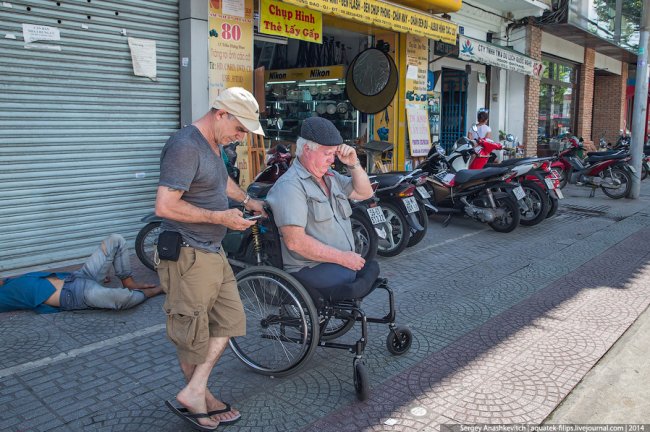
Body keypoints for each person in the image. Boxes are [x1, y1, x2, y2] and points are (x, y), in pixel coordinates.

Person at [155, 87, 265, 430]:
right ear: (221, 114)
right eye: (239, 128)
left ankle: (195, 390)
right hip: (187, 255)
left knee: (231, 319)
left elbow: (222, 183)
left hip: (212, 251)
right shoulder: (185, 146)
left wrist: (247, 201)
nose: (240, 137)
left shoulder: (213, 145)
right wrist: (222, 218)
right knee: (192, 334)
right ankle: (199, 396)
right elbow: (165, 206)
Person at [265, 117, 374, 291]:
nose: (332, 160)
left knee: (369, 269)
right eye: (327, 154)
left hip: (334, 261)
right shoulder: (291, 185)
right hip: (309, 267)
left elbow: (365, 193)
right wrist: (343, 258)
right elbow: (295, 242)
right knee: (351, 275)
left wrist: (354, 164)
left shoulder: (329, 176)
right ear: (307, 149)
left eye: (333, 154)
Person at [0, 234, 161, 314]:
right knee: (121, 299)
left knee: (115, 240)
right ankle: (153, 291)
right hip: (76, 295)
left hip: (76, 276)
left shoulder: (8, 282)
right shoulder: (3, 299)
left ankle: (128, 282)